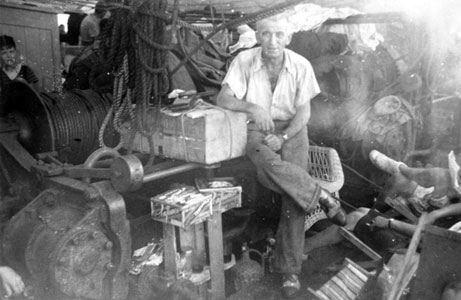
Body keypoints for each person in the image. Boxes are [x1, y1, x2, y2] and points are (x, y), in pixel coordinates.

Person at [216, 15, 346, 298]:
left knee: (291, 194)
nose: (272, 41)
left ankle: (289, 271)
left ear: (288, 39)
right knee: (264, 159)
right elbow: (223, 99)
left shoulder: (301, 65)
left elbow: (304, 113)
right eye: (266, 34)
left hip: (293, 130)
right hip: (258, 130)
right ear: (258, 36)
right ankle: (320, 194)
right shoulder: (244, 61)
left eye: (278, 35)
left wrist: (284, 138)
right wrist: (252, 108)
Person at [0, 35, 39, 117]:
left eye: (11, 51)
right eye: (3, 53)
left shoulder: (25, 70)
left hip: (26, 115)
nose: (8, 56)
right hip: (6, 117)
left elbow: (33, 96)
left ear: (16, 52)